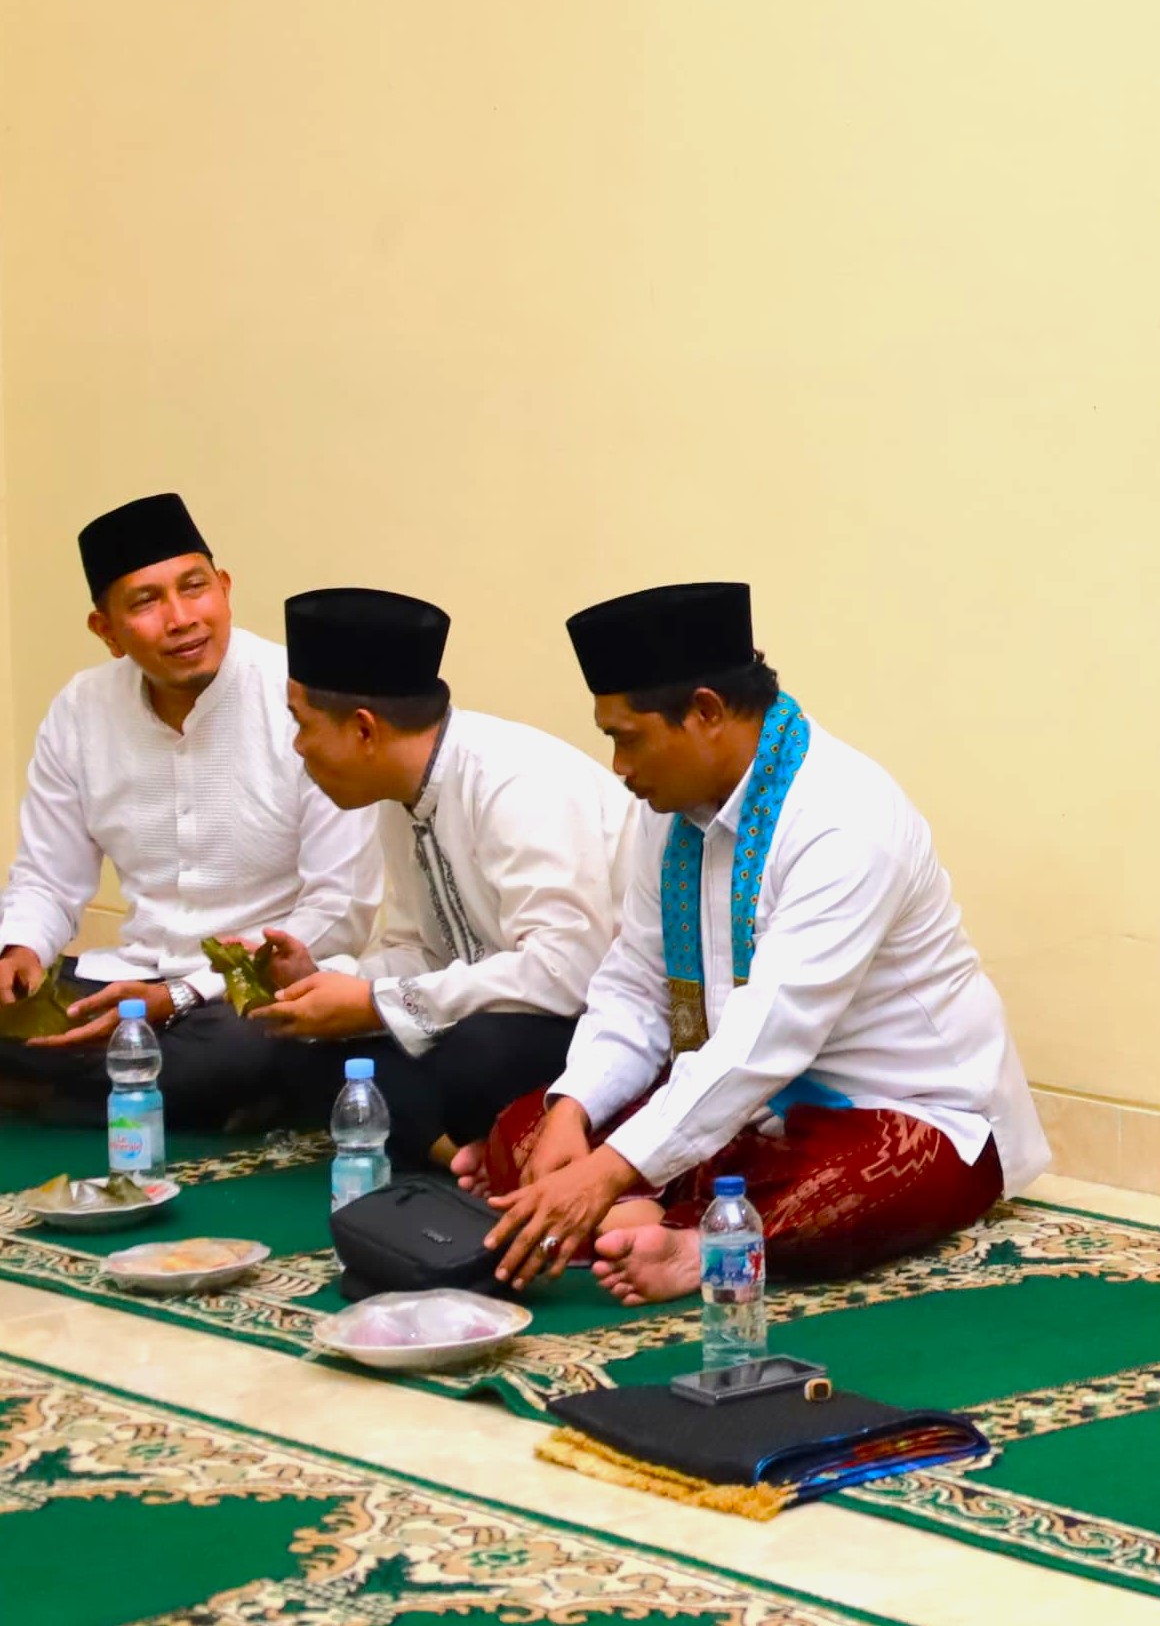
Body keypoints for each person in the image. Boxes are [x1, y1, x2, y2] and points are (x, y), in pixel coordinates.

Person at [459, 582, 1047, 1304]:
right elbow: (635, 984)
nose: (618, 766)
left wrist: (609, 1170)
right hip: (736, 1104)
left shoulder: (843, 820)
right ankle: (647, 1215)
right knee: (525, 1130)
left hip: (895, 1111)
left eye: (627, 737)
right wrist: (571, 1109)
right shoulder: (668, 810)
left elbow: (767, 1041)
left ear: (705, 712)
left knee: (857, 1189)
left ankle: (697, 1245)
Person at [0, 495, 374, 1130]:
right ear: (107, 631)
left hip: (249, 995)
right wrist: (20, 953)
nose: (181, 619)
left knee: (243, 1053)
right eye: (146, 602)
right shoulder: (80, 710)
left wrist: (177, 998)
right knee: (66, 1015)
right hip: (125, 981)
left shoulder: (308, 699)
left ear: (225, 589)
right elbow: (48, 878)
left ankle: (60, 1092)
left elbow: (337, 912)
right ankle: (132, 1090)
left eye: (195, 587)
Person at [250, 587, 629, 1169]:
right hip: (482, 1017)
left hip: (588, 1026)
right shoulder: (398, 795)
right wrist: (320, 983)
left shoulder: (514, 780)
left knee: (477, 1055)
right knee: (301, 1045)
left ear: (364, 730)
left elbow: (567, 970)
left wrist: (376, 1004)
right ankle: (457, 1153)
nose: (297, 747)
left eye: (301, 725)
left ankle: (456, 1145)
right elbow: (420, 951)